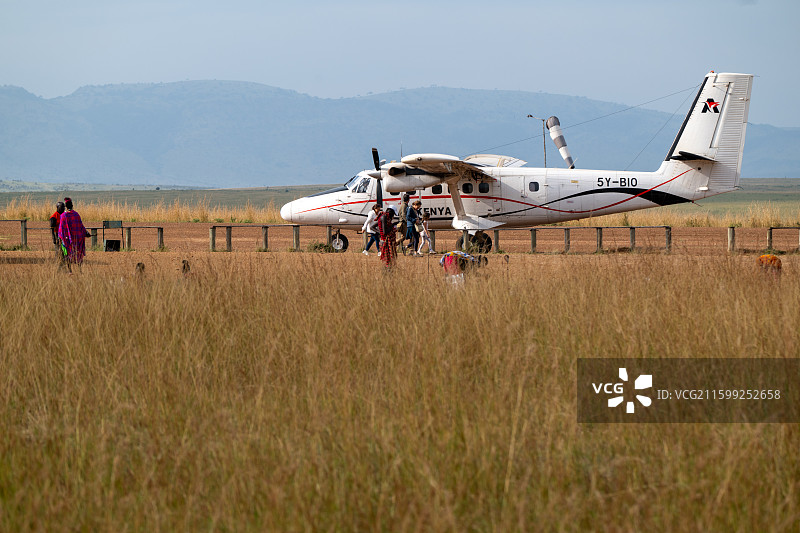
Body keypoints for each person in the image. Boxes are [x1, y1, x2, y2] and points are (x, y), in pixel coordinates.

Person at [57, 197, 90, 270]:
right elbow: (81, 226)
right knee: (78, 253)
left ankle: (70, 270)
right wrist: (86, 233)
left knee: (67, 254)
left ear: (65, 206)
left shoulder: (63, 216)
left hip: (67, 239)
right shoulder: (76, 215)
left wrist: (60, 237)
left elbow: (61, 229)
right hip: (77, 239)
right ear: (72, 205)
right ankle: (79, 269)